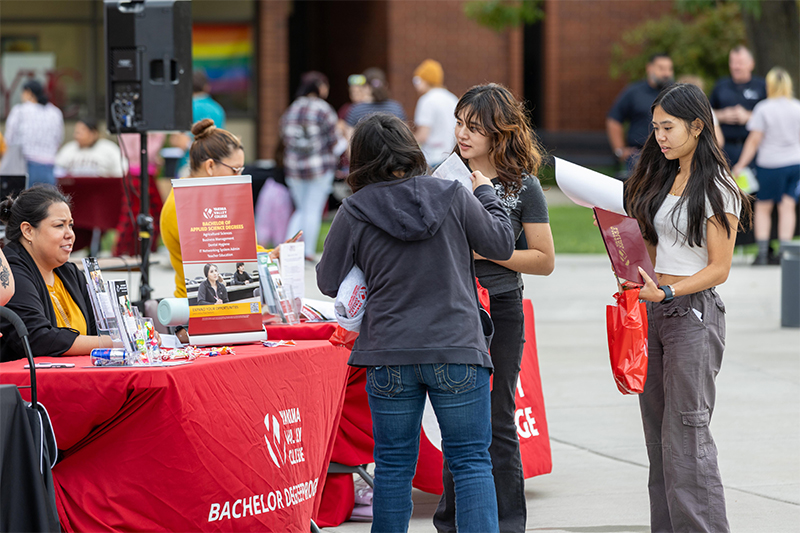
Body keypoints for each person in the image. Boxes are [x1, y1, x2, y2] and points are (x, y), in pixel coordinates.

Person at [316, 112, 515, 533]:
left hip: (388, 353)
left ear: (361, 159)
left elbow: (328, 280)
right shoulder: (453, 195)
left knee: (391, 466)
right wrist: (486, 194)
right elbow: (499, 243)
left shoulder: (354, 210)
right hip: (457, 345)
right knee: (471, 462)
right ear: (410, 148)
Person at [623, 83, 751, 532]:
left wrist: (670, 293)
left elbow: (719, 269)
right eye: (655, 127)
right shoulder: (666, 176)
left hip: (692, 314)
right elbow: (660, 252)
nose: (659, 136)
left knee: (686, 437)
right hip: (655, 313)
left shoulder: (718, 188)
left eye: (668, 127)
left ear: (698, 127)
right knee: (659, 439)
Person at [434, 83, 555, 533]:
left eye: (474, 127)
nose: (463, 134)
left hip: (501, 308)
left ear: (499, 132)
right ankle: (451, 522)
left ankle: (507, 524)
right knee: (455, 416)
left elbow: (544, 260)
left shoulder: (522, 187)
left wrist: (489, 252)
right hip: (452, 306)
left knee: (498, 415)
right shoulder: (442, 176)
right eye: (460, 124)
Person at [0, 185, 116, 361]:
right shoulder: (12, 272)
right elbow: (37, 339)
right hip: (32, 384)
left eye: (70, 225)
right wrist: (113, 343)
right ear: (28, 231)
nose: (70, 234)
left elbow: (99, 329)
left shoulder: (70, 273)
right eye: (59, 225)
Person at [732, 67, 800, 266]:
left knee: (763, 207)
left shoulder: (763, 108)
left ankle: (762, 253)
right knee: (788, 207)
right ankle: (785, 252)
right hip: (795, 164)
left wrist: (740, 164)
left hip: (769, 165)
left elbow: (754, 141)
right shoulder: (797, 107)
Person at [280, 71, 340, 261]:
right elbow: (334, 140)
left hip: (294, 168)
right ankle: (307, 252)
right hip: (318, 166)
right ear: (319, 87)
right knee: (312, 209)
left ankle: (287, 249)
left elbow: (283, 136)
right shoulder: (323, 109)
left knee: (301, 208)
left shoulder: (292, 108)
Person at [607, 53, 674, 176]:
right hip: (639, 155)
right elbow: (614, 119)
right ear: (649, 68)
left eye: (669, 69)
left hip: (670, 155)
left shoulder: (675, 93)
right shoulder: (634, 92)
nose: (666, 73)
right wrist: (620, 150)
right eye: (661, 68)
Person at [710, 45, 767, 166]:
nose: (736, 67)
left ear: (751, 64)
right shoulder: (720, 86)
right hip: (725, 148)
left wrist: (749, 116)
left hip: (755, 149)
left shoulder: (762, 86)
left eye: (740, 63)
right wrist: (722, 115)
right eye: (733, 62)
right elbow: (707, 112)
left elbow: (772, 115)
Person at [3, 80, 64, 186]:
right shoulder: (55, 112)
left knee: (26, 200)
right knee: (48, 200)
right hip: (49, 167)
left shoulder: (19, 111)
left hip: (25, 165)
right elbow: (59, 139)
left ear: (28, 92)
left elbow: (9, 139)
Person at [412, 59, 459, 167]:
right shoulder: (451, 98)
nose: (415, 85)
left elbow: (423, 135)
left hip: (432, 158)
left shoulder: (427, 100)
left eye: (417, 80)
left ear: (426, 80)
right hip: (450, 156)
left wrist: (405, 143)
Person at [54, 117, 127, 177]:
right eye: (76, 132)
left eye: (81, 132)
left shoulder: (109, 148)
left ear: (94, 133)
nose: (77, 135)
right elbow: (57, 170)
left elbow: (121, 171)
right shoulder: (68, 149)